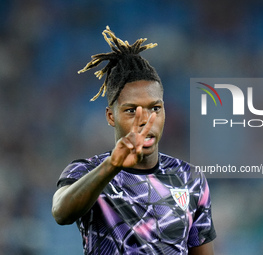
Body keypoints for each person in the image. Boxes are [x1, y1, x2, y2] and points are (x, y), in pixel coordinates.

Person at [52, 26, 216, 255]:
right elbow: (61, 212)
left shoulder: (190, 178)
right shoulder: (86, 171)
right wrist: (112, 166)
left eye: (155, 108)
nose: (145, 120)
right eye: (131, 111)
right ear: (111, 116)